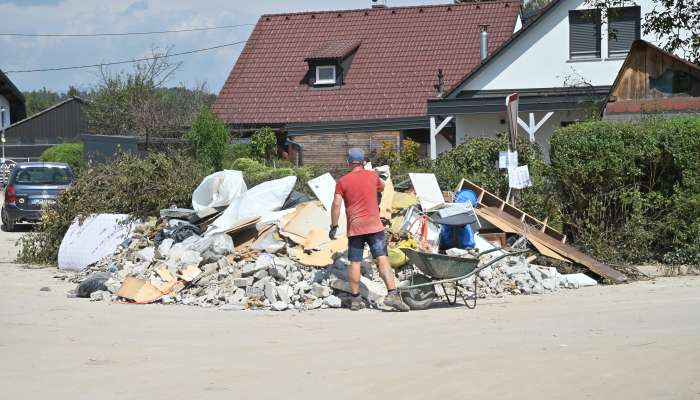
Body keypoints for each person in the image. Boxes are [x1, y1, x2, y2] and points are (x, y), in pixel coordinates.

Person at [330, 148, 410, 312]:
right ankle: (392, 295)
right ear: (363, 162)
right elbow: (381, 187)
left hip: (355, 228)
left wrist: (334, 226)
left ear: (349, 163)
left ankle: (355, 300)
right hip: (375, 226)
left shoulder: (342, 181)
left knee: (355, 262)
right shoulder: (372, 176)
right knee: (382, 258)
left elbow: (336, 204)